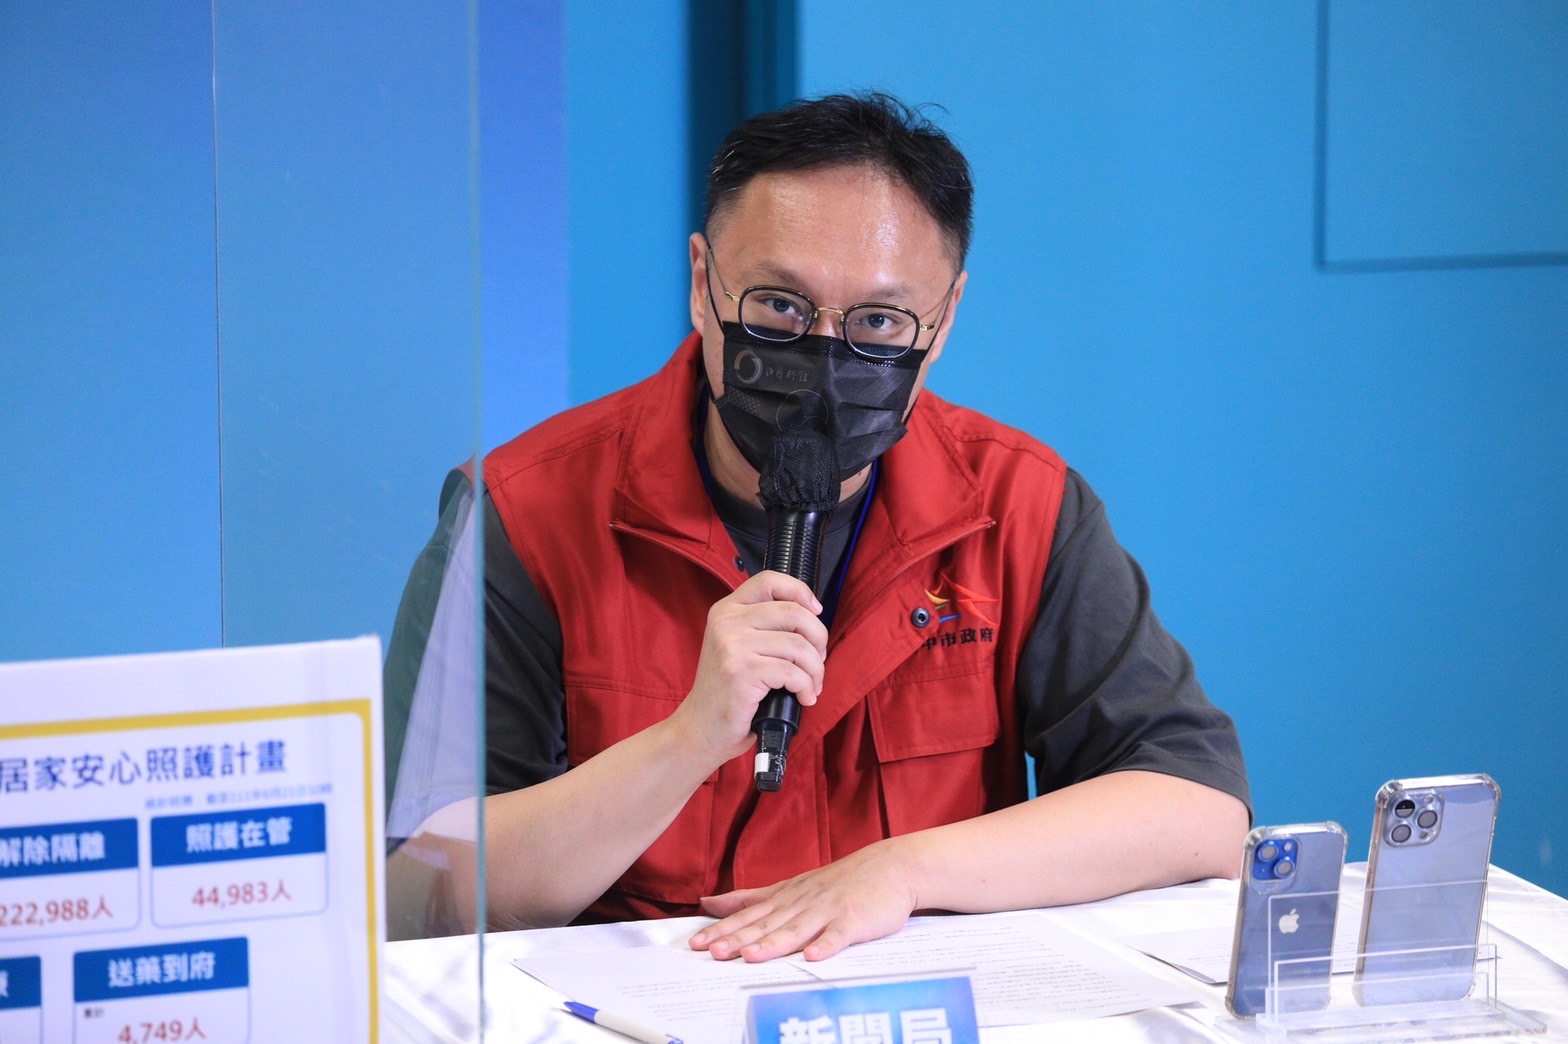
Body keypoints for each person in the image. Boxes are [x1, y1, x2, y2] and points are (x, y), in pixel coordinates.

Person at [385, 92, 1250, 961]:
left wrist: (903, 872)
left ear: (944, 318)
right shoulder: (523, 511)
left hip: (917, 1000)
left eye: (879, 322)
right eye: (779, 306)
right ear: (702, 284)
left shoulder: (1018, 504)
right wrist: (687, 740)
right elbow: (418, 890)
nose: (825, 359)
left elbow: (1198, 807)